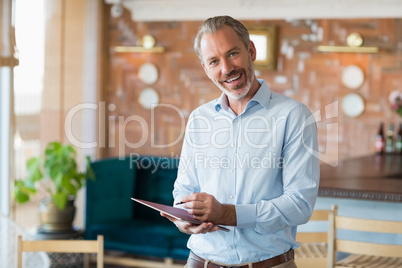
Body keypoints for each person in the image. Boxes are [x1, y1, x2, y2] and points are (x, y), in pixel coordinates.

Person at [162, 15, 319, 268]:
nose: (226, 68)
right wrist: (183, 217)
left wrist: (228, 214)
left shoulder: (294, 116)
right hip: (200, 262)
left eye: (232, 53)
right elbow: (184, 189)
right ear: (206, 68)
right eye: (214, 61)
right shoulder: (199, 119)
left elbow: (299, 205)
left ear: (251, 51)